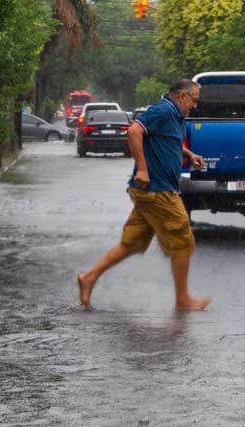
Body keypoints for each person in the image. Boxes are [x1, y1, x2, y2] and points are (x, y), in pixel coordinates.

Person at [77, 80, 212, 311]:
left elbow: (166, 141)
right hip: (157, 191)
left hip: (150, 191)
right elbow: (134, 131)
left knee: (132, 243)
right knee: (182, 242)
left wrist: (189, 153)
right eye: (194, 100)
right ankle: (183, 300)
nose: (195, 106)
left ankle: (89, 277)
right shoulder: (163, 110)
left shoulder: (175, 116)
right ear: (181, 96)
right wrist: (142, 168)